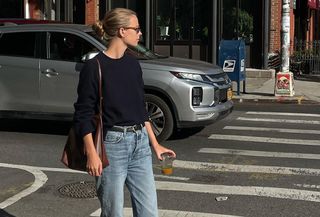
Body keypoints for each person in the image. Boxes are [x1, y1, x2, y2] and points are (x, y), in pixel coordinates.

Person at [73, 8, 176, 217]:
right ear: (121, 31)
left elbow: (140, 109)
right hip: (112, 147)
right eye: (136, 29)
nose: (140, 33)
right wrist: (92, 154)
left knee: (149, 213)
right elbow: (83, 115)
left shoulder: (133, 64)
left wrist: (154, 144)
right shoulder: (94, 67)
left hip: (140, 146)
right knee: (113, 213)